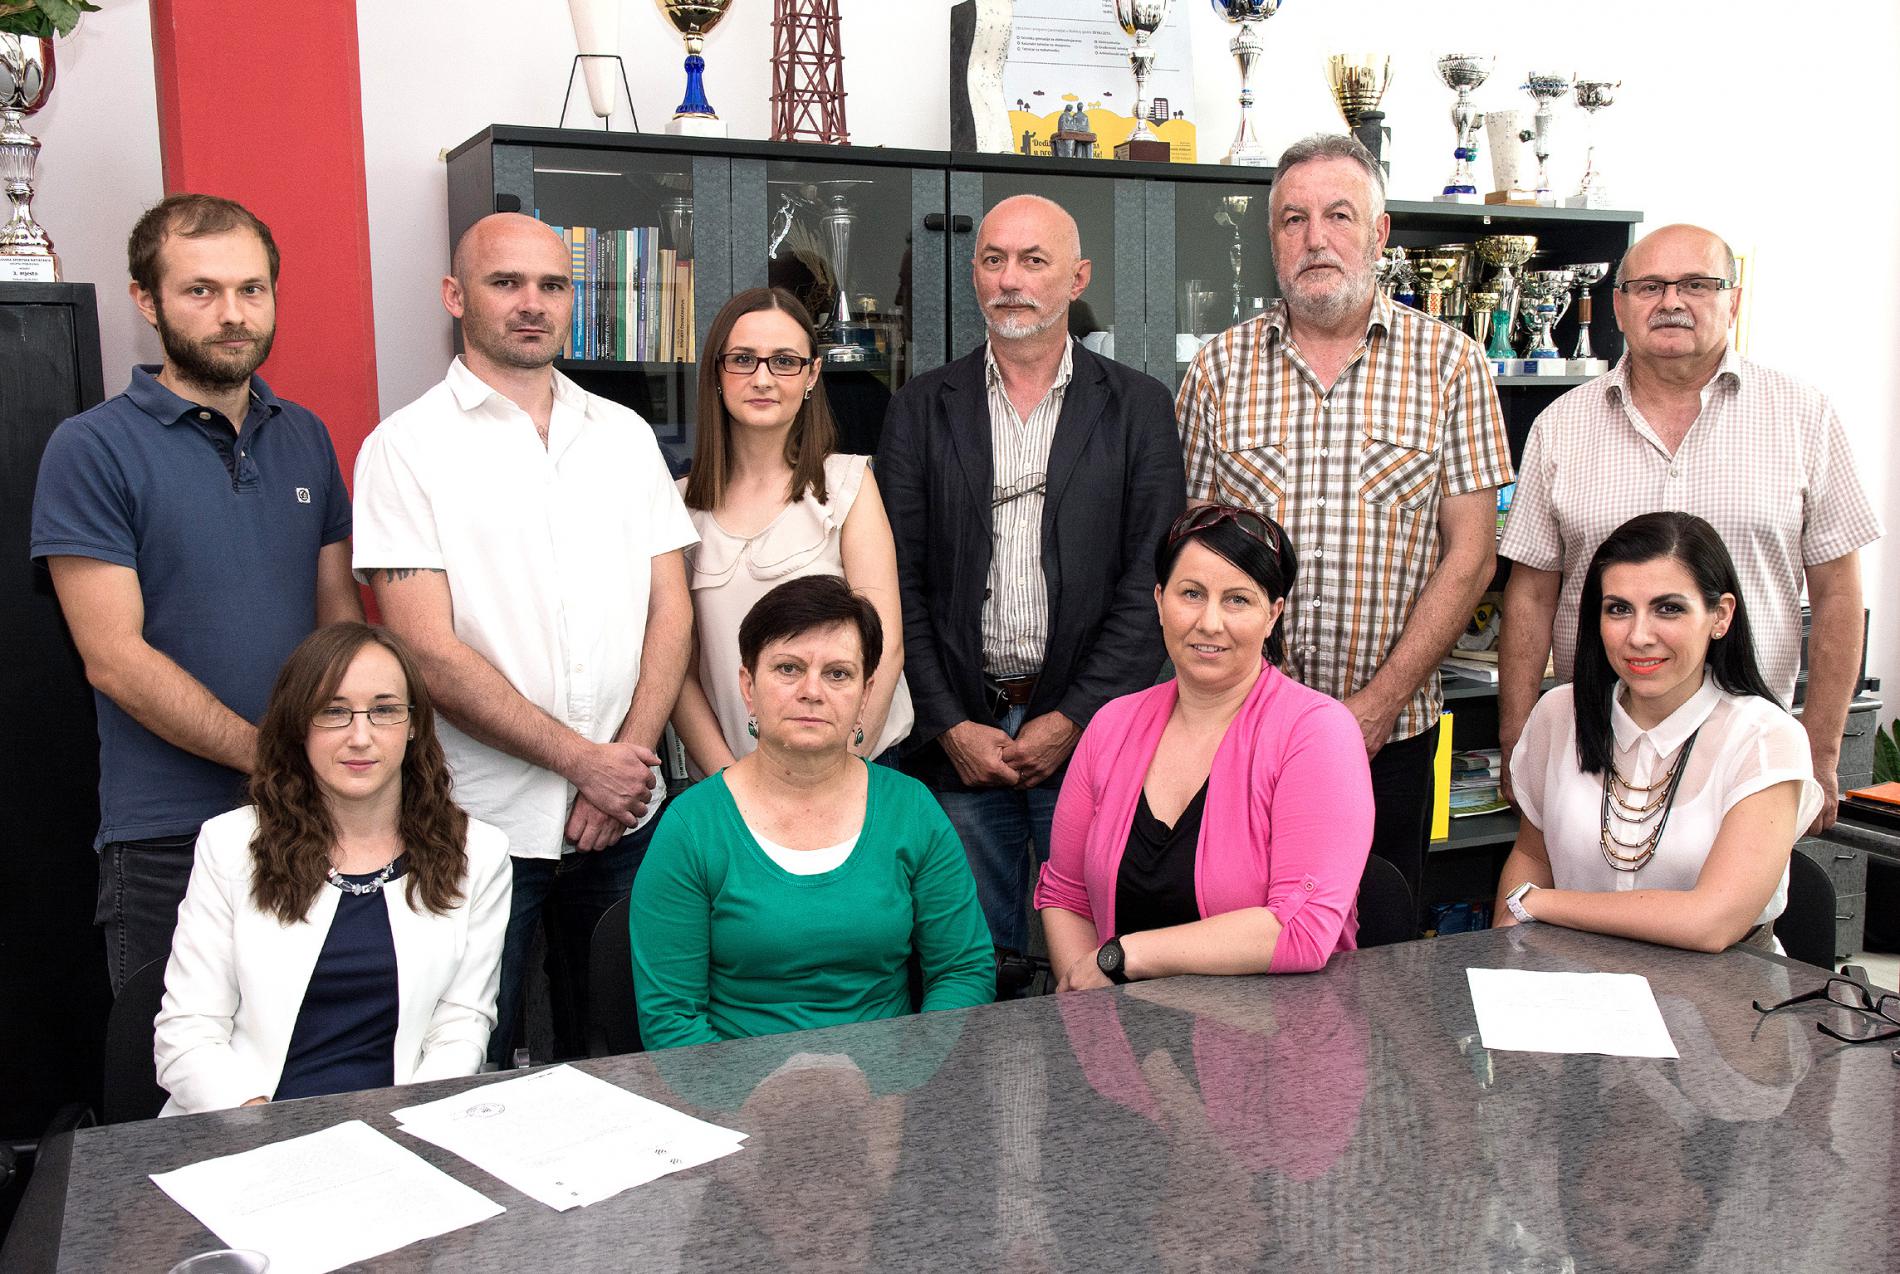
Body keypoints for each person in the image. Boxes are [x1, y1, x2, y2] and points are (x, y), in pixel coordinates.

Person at [352, 212, 696, 1064]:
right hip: (479, 828)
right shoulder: (403, 450)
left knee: (628, 1058)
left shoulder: (623, 436)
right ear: (454, 295)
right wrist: (584, 763)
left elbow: (671, 610)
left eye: (552, 285)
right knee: (470, 1065)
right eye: (505, 283)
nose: (532, 303)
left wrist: (624, 765)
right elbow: (426, 653)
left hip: (625, 822)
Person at [30, 194, 362, 994]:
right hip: (166, 837)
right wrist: (275, 759)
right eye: (200, 291)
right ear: (147, 301)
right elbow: (114, 658)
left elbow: (339, 622)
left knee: (315, 1053)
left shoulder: (306, 436)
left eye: (251, 289)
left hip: (312, 819)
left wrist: (342, 760)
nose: (232, 314)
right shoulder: (91, 448)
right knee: (172, 1067)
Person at [1175, 133, 1512, 908]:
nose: (1315, 239)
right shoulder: (1217, 370)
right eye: (1293, 220)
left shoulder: (1451, 364)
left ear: (1380, 233)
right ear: (1272, 239)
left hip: (1391, 737)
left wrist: (1379, 704)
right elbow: (1191, 562)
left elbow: (1472, 556)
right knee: (1239, 933)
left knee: (1379, 939)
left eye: (1338, 215)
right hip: (1241, 734)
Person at [876, 193, 1186, 957]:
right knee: (971, 964)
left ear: (1077, 278)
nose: (1010, 279)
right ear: (975, 274)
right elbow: (896, 584)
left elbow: (1151, 587)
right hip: (958, 742)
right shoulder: (919, 409)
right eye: (993, 260)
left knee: (1095, 959)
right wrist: (949, 724)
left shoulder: (1139, 408)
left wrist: (1073, 718)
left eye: (1033, 260)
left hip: (1092, 738)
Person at [1499, 224, 1879, 834]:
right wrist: (1519, 739)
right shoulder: (1561, 426)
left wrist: (1821, 750)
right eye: (1649, 286)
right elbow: (1532, 593)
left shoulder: (1804, 416)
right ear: (1619, 305)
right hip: (1594, 742)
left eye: (1697, 285)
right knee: (1580, 889)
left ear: (1734, 299)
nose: (1672, 302)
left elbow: (1838, 594)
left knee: (1734, 897)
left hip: (1749, 753)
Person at [154, 623, 510, 1115]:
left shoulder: (479, 853)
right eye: (333, 711)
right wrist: (264, 1126)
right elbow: (187, 1035)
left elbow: (461, 1029)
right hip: (250, 1125)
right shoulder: (231, 845)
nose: (360, 737)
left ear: (413, 725)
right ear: (298, 725)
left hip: (405, 1127)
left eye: (384, 710)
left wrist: (410, 1128)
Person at [632, 575, 995, 1049]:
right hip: (738, 1085)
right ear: (748, 686)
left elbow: (962, 971)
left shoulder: (911, 810)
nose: (812, 691)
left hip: (892, 1081)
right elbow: (671, 1017)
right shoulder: (692, 827)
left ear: (865, 694)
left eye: (838, 674)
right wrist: (753, 1093)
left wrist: (909, 1074)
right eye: (788, 668)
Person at [1035, 505, 1374, 988]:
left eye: (1237, 600)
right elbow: (1066, 896)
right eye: (1191, 594)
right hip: (1116, 1023)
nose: (1210, 622)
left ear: (1273, 614)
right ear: (1159, 600)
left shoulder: (1318, 732)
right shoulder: (1111, 725)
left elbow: (1300, 930)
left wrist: (1122, 955)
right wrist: (1089, 1008)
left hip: (1272, 1027)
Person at [1493, 513, 1820, 952]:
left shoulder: (1766, 736)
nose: (1639, 636)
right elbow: (1532, 856)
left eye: (1669, 609)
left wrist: (1538, 904)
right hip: (1570, 978)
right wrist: (1507, 954)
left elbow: (1712, 921)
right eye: (1619, 609)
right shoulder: (1559, 713)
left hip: (1723, 988)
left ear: (1720, 616)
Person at [672, 287, 912, 774]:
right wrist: (731, 786)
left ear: (812, 375)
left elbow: (885, 648)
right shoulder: (678, 506)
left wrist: (835, 773)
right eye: (743, 359)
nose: (762, 378)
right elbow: (677, 670)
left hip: (856, 769)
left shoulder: (848, 485)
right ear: (716, 373)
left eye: (784, 361)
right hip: (732, 780)